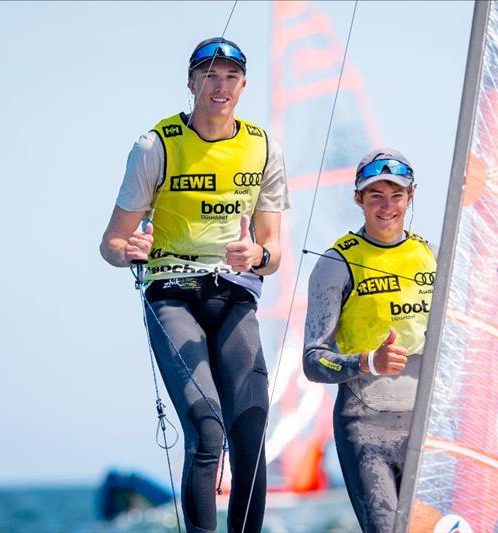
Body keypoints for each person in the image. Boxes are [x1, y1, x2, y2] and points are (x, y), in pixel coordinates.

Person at [100, 37, 289, 533]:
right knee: (208, 429)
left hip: (234, 297)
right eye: (209, 75)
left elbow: (273, 252)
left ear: (243, 85)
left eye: (230, 76)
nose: (219, 86)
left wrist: (259, 255)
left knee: (249, 427)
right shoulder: (155, 146)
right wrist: (128, 251)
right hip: (171, 296)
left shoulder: (263, 147)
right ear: (191, 83)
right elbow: (112, 242)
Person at [302, 149, 436, 532]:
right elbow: (314, 361)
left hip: (426, 427)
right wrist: (367, 362)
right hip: (366, 430)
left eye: (396, 195)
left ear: (411, 197)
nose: (387, 206)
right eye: (375, 195)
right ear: (358, 199)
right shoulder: (335, 263)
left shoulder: (433, 256)